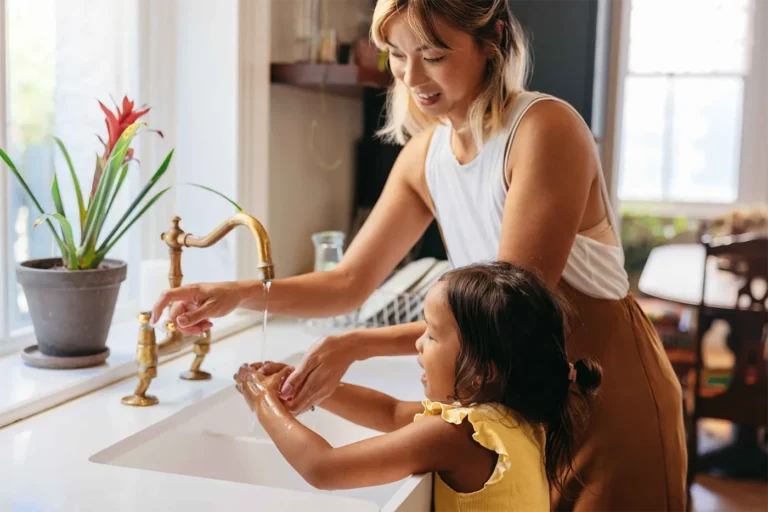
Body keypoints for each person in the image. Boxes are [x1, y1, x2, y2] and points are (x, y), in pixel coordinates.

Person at [152, 0, 687, 509]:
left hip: (605, 399)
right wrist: (238, 293)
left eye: (432, 55)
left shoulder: (544, 130)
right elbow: (347, 283)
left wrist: (355, 343)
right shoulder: (422, 157)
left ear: (492, 41)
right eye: (398, 55)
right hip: (512, 407)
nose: (411, 76)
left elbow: (503, 316)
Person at [234, 263, 603, 511]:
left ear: (481, 372)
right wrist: (314, 387)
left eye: (431, 333)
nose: (418, 343)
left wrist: (264, 402)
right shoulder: (514, 418)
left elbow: (323, 468)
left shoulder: (457, 435)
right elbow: (391, 413)